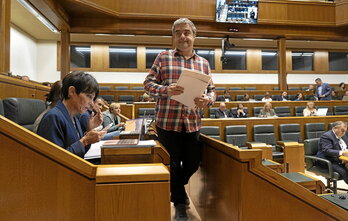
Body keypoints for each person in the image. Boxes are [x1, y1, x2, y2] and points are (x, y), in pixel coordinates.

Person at [143, 18, 215, 219]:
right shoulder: (163, 57)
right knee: (172, 164)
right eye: (178, 33)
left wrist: (207, 100)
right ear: (173, 36)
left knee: (192, 163)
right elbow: (147, 84)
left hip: (192, 123)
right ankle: (179, 206)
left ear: (194, 36)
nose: (183, 36)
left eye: (186, 32)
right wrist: (167, 90)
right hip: (167, 122)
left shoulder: (204, 63)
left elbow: (212, 90)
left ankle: (177, 188)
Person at [37, 71, 106, 158]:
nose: (91, 104)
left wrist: (89, 130)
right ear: (72, 91)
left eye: (93, 99)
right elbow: (56, 159)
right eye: (88, 96)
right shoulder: (53, 117)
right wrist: (85, 141)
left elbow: (81, 152)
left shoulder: (74, 118)